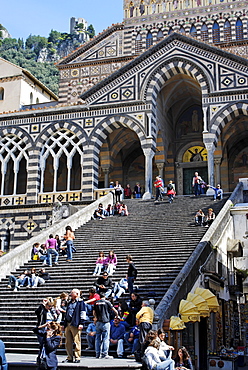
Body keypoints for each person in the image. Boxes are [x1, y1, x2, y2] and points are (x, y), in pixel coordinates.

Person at [63, 289, 87, 363]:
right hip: (68, 323)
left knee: (77, 341)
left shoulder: (80, 303)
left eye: (72, 293)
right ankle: (69, 357)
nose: (70, 294)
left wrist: (81, 323)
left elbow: (83, 313)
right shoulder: (70, 302)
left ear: (76, 294)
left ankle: (77, 357)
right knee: (68, 342)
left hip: (76, 323)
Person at [93, 291, 118, 359]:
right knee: (105, 338)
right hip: (105, 321)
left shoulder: (96, 303)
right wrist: (117, 315)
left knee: (97, 338)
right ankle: (104, 354)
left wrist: (95, 318)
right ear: (105, 296)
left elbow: (94, 312)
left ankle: (97, 354)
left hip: (98, 322)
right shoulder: (107, 302)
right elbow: (114, 310)